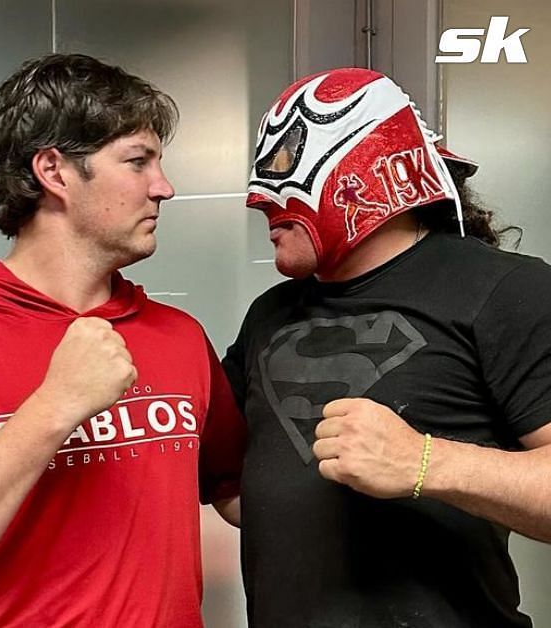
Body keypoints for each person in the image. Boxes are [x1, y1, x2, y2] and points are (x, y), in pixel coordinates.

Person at [0, 53, 245, 627]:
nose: (164, 187)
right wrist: (57, 405)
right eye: (138, 162)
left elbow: (240, 495)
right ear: (54, 172)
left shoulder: (179, 336)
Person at [224, 67, 551, 628]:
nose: (262, 200)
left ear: (363, 172)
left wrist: (424, 462)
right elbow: (239, 485)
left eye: (286, 166)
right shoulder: (270, 313)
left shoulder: (506, 290)